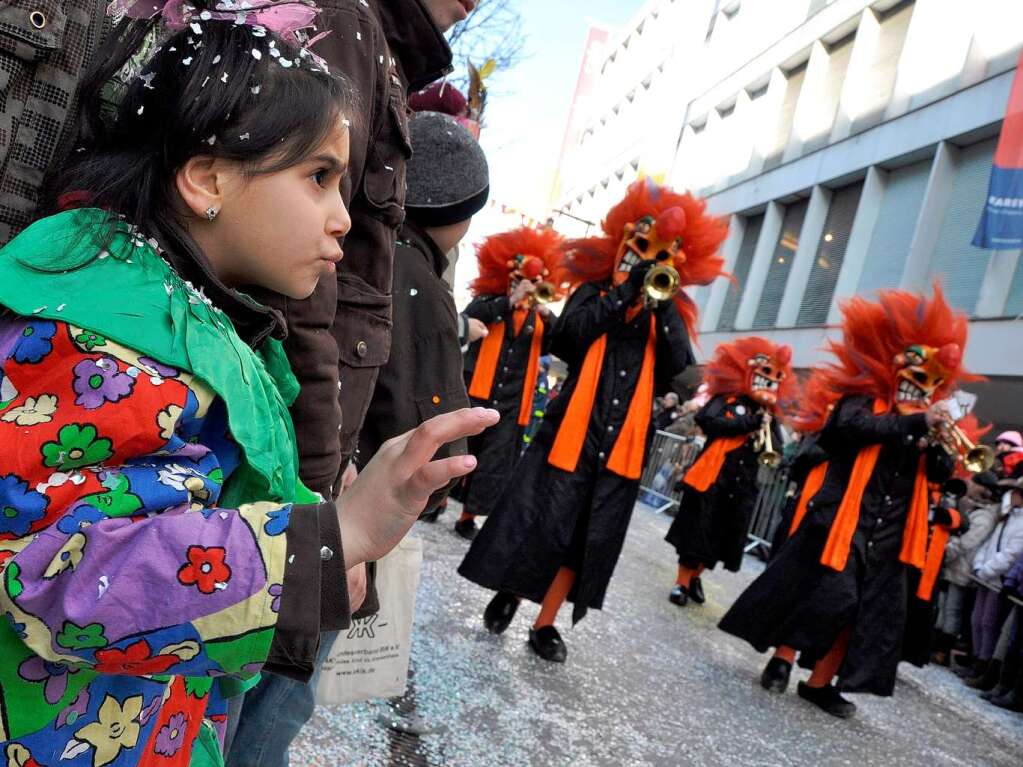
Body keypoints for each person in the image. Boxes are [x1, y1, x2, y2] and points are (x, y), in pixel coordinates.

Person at [0, 16, 496, 766]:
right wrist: (329, 541)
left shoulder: (190, 322)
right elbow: (56, 573)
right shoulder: (105, 343)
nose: (341, 219)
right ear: (208, 179)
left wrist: (320, 511)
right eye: (320, 177)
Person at [459, 180, 729, 662]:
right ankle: (512, 594)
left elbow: (678, 366)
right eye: (640, 248)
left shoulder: (667, 310)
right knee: (541, 522)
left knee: (584, 540)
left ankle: (546, 624)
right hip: (569, 434)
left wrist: (661, 307)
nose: (647, 259)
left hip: (621, 447)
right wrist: (624, 292)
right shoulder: (594, 293)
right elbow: (567, 338)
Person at [719, 286, 969, 718]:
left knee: (862, 611)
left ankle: (820, 683)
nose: (918, 388)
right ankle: (783, 657)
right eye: (912, 376)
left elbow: (944, 474)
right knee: (825, 594)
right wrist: (912, 424)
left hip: (891, 531)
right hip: (843, 520)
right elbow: (847, 430)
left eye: (928, 383)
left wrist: (938, 441)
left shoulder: (926, 425)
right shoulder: (861, 402)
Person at [355, 110, 490, 510]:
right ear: (458, 212)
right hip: (371, 500)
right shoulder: (419, 280)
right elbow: (427, 417)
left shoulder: (369, 250)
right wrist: (439, 479)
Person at [664, 337, 795, 607]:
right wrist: (749, 422)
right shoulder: (727, 399)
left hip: (742, 485)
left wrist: (770, 441)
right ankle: (682, 582)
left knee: (721, 538)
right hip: (712, 479)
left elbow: (777, 448)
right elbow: (706, 420)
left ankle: (696, 577)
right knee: (695, 534)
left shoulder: (768, 413)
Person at [455, 226, 565, 539]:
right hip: (476, 389)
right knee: (458, 447)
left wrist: (545, 310)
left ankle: (467, 516)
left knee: (492, 464)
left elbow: (559, 342)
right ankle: (434, 503)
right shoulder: (491, 300)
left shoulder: (541, 317)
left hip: (513, 401)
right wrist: (509, 299)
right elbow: (470, 316)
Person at [931, 472, 1000, 665]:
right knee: (944, 605)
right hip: (956, 564)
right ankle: (936, 643)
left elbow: (967, 542)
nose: (969, 484)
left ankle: (942, 649)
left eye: (974, 482)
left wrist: (946, 550)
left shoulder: (985, 517)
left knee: (953, 608)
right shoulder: (978, 510)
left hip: (963, 567)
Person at [965, 477, 1023, 688]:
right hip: (986, 575)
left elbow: (1010, 554)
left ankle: (983, 662)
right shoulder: (1007, 517)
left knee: (989, 622)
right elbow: (990, 544)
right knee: (977, 618)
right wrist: (980, 565)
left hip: (998, 579)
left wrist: (987, 569)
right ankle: (976, 657)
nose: (1012, 495)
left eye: (1017, 492)